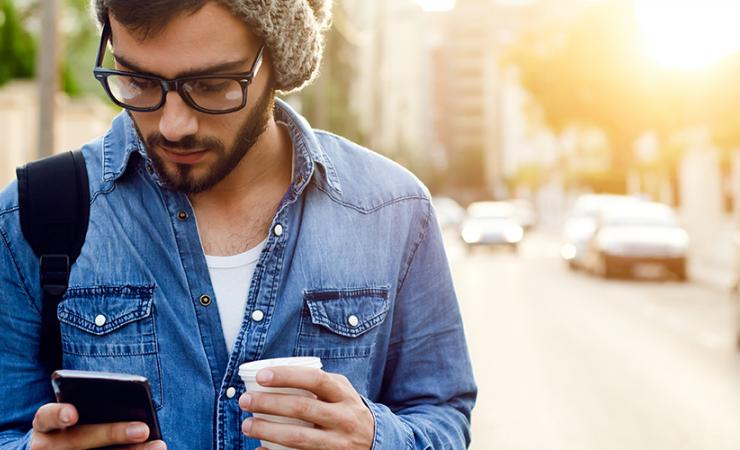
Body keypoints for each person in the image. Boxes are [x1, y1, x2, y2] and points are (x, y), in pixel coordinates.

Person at [0, 1, 477, 449]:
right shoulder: (29, 217)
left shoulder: (393, 211)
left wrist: (374, 438)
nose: (174, 125)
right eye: (139, 81)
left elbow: (442, 415)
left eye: (211, 86)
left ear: (279, 61)